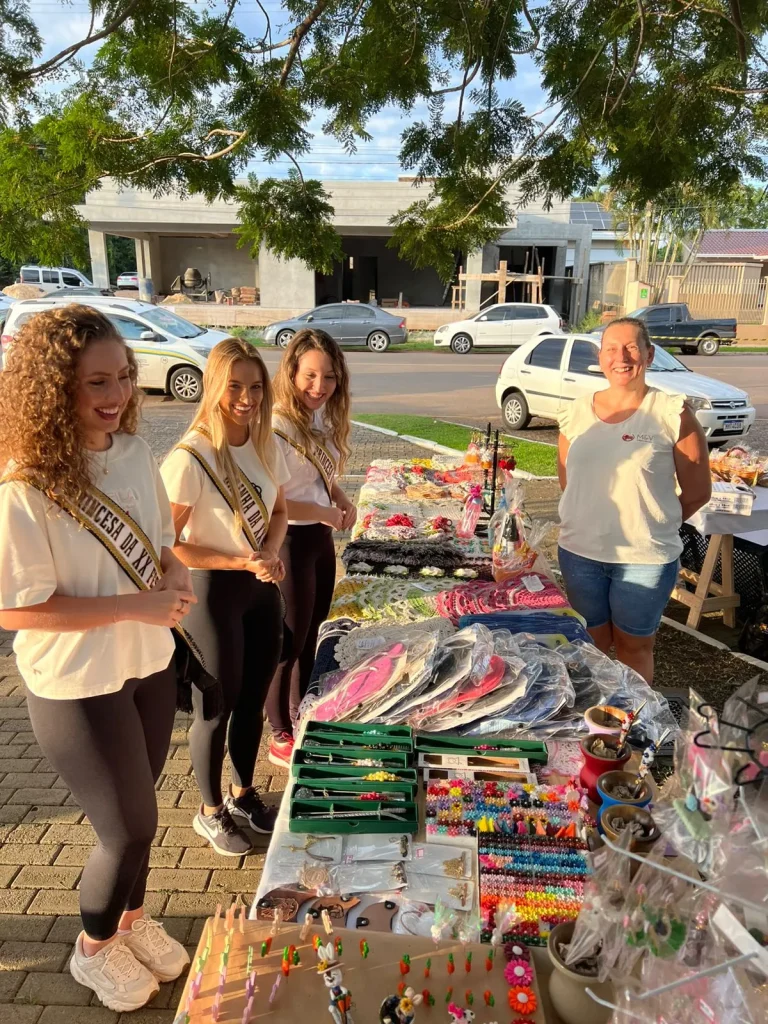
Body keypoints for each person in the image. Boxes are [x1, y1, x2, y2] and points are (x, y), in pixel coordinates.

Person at [0, 306, 195, 1011]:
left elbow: (161, 544)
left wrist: (175, 575)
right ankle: (92, 948)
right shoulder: (25, 485)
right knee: (128, 828)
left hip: (148, 664)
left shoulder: (135, 452)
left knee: (141, 817)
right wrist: (134, 605)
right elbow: (15, 609)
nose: (117, 395)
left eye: (124, 377)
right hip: (76, 683)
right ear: (55, 388)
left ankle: (131, 922)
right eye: (96, 383)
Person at [161, 339, 289, 855]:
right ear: (214, 385)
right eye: (234, 386)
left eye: (255, 387)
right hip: (211, 593)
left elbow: (279, 513)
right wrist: (240, 561)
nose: (246, 398)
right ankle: (210, 811)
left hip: (261, 589)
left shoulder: (264, 443)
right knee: (216, 706)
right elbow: (167, 544)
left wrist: (271, 551)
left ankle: (243, 794)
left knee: (253, 699)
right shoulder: (190, 457)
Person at [557, 316, 712, 683]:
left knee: (634, 647)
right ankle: (595, 712)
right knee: (590, 645)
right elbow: (569, 481)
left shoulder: (672, 413)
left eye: (631, 348)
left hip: (644, 559)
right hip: (580, 554)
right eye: (612, 349)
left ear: (649, 354)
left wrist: (651, 523)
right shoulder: (575, 412)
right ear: (600, 357)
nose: (621, 357)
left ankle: (631, 716)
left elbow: (697, 492)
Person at [265, 329, 356, 766]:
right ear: (292, 373)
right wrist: (323, 512)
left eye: (329, 377)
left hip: (320, 540)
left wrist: (340, 498)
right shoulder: (277, 425)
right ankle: (278, 732)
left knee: (311, 635)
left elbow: (322, 479)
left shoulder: (320, 419)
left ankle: (300, 712)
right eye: (311, 376)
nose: (320, 387)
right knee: (287, 643)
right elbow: (273, 501)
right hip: (290, 541)